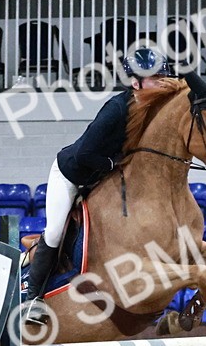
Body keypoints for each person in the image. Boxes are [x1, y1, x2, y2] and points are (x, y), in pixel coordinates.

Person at [21, 47, 177, 315]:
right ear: (135, 82)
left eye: (163, 76)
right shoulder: (116, 109)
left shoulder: (155, 107)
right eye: (155, 78)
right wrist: (114, 164)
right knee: (56, 231)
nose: (161, 81)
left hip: (102, 179)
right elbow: (85, 154)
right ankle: (32, 298)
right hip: (72, 174)